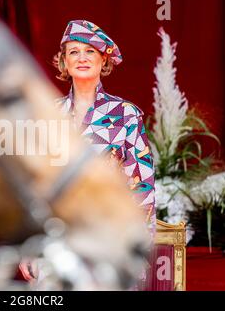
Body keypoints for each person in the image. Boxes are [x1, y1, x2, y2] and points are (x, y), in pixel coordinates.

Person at [19, 19, 156, 287]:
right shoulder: (48, 113)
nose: (81, 58)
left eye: (90, 51)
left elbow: (143, 187)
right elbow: (34, 186)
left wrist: (137, 253)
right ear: (64, 62)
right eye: (73, 52)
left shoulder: (125, 114)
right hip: (56, 244)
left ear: (103, 60)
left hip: (109, 241)